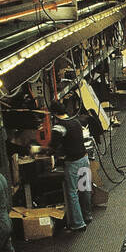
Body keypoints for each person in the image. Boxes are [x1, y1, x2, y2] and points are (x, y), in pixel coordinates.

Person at [50, 99, 92, 232]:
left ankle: (78, 224)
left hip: (73, 163)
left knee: (72, 193)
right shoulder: (75, 121)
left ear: (54, 114)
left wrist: (42, 150)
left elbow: (53, 146)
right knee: (84, 188)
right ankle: (87, 216)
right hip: (84, 158)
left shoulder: (59, 127)